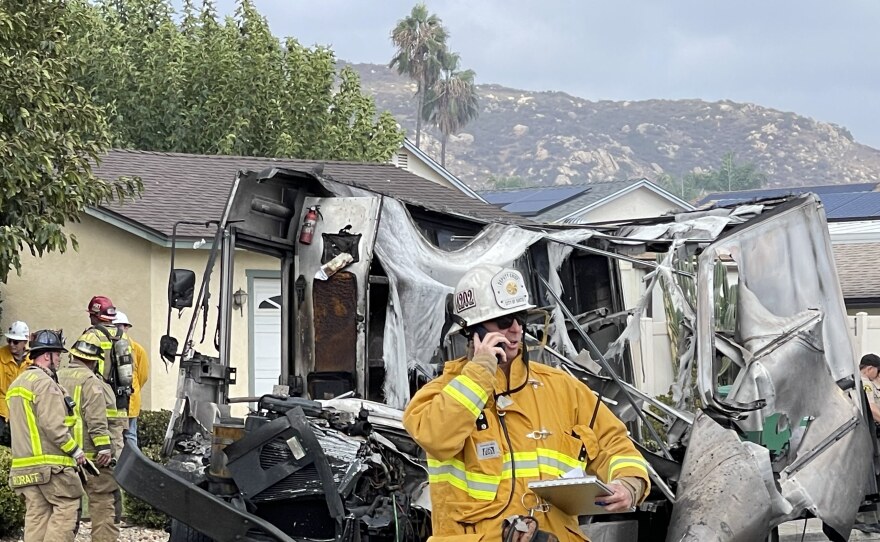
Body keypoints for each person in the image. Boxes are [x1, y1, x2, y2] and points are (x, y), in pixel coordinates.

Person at [403, 265, 651, 542]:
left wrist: (629, 484)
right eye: (504, 321)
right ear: (472, 330)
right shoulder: (439, 394)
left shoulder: (564, 389)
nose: (516, 329)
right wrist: (479, 373)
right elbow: (436, 437)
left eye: (520, 318)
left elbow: (615, 445)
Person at [7, 329, 86, 542]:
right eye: (57, 354)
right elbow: (52, 425)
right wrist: (75, 450)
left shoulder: (17, 384)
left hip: (23, 467)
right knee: (67, 506)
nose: (60, 359)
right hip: (50, 467)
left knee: (37, 514)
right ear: (47, 356)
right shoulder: (45, 384)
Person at [59, 333, 126, 542]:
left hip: (63, 456)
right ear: (93, 360)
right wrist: (105, 448)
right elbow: (96, 418)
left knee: (65, 509)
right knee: (105, 503)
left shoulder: (55, 377)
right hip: (95, 459)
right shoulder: (91, 381)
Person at [113, 311, 149, 445]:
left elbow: (143, 375)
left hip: (130, 400)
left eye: (120, 326)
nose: (116, 330)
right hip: (112, 400)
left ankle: (131, 463)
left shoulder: (137, 350)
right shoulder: (108, 348)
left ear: (126, 328)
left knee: (129, 434)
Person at [0, 320, 31, 445]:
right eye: (9, 340)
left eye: (16, 342)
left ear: (25, 342)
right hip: (2, 412)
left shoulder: (32, 360)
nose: (11, 344)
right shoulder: (1, 356)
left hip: (24, 411)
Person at [860, 353, 880, 424]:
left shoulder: (857, 380)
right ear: (869, 369)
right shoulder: (865, 382)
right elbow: (871, 408)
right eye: (878, 370)